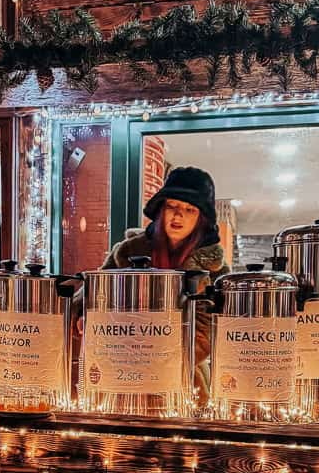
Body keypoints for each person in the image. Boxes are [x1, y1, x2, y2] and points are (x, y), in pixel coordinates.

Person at [97, 166, 227, 400]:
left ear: (201, 219)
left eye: (190, 209)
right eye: (172, 206)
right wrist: (81, 314)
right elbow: (94, 296)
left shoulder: (215, 271)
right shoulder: (126, 253)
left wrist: (154, 355)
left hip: (185, 378)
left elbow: (210, 331)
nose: (179, 216)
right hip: (122, 372)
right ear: (161, 210)